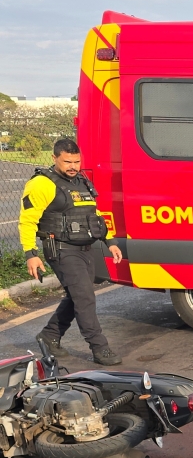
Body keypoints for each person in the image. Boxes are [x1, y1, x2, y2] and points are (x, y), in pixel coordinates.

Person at [20, 138, 123, 365]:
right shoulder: (42, 183)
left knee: (78, 296)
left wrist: (110, 241)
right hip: (61, 249)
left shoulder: (81, 181)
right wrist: (31, 253)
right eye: (67, 162)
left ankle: (49, 336)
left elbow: (94, 216)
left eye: (76, 161)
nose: (73, 166)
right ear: (54, 158)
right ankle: (100, 348)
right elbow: (27, 221)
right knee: (84, 297)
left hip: (85, 249)